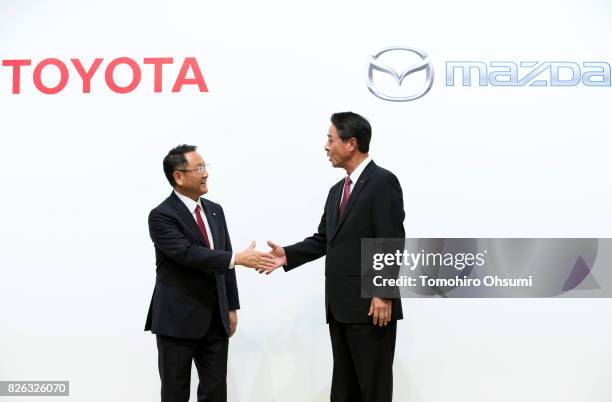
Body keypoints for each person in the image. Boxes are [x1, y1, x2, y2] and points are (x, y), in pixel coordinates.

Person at [264, 112, 405, 402]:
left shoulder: (382, 182)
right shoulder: (336, 191)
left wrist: (382, 294)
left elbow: (390, 241)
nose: (326, 147)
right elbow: (324, 240)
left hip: (371, 308)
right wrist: (287, 256)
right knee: (344, 390)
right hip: (340, 307)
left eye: (330, 140)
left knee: (373, 389)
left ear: (351, 143)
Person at [145, 144, 275, 402]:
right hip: (177, 321)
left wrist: (231, 306)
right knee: (175, 392)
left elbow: (222, 257)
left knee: (215, 392)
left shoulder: (215, 210)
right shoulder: (161, 216)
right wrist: (237, 258)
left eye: (205, 167)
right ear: (178, 176)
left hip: (215, 319)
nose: (205, 174)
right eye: (199, 168)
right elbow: (188, 253)